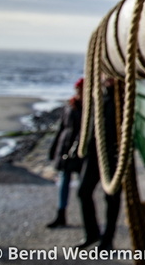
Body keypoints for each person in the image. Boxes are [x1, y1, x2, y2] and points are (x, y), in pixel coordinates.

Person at [76, 76, 122, 251]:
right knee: (83, 192)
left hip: (114, 155)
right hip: (95, 154)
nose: (107, 78)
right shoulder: (100, 98)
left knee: (111, 197)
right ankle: (92, 234)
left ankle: (108, 240)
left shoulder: (122, 99)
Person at [46, 77, 84, 228]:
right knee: (63, 182)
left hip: (80, 150)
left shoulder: (90, 108)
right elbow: (62, 128)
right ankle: (61, 213)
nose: (78, 92)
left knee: (83, 187)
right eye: (77, 90)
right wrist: (54, 149)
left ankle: (86, 217)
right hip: (65, 147)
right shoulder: (70, 106)